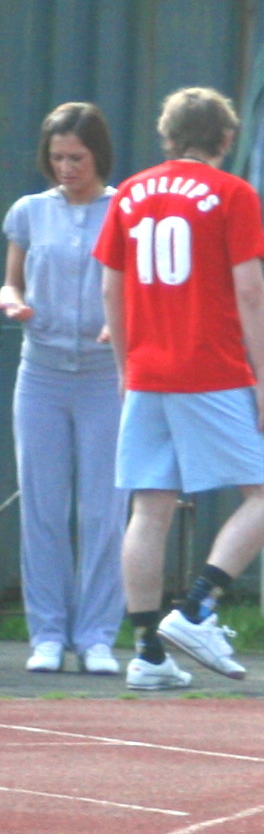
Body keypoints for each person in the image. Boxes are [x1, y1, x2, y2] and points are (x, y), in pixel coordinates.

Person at [94, 87, 264, 691]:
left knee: (149, 509)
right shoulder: (233, 194)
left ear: (168, 134)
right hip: (212, 369)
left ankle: (147, 654)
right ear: (226, 137)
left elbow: (111, 287)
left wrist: (126, 368)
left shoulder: (130, 193)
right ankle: (198, 609)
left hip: (148, 371)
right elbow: (250, 290)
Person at [2, 103, 128, 675]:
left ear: (98, 155)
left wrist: (121, 325)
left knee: (103, 509)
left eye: (76, 157)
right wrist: (12, 302)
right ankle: (48, 633)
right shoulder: (30, 212)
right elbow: (11, 281)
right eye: (56, 157)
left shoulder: (123, 210)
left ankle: (97, 635)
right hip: (42, 375)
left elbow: (138, 287)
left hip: (105, 376)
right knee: (43, 507)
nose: (66, 168)